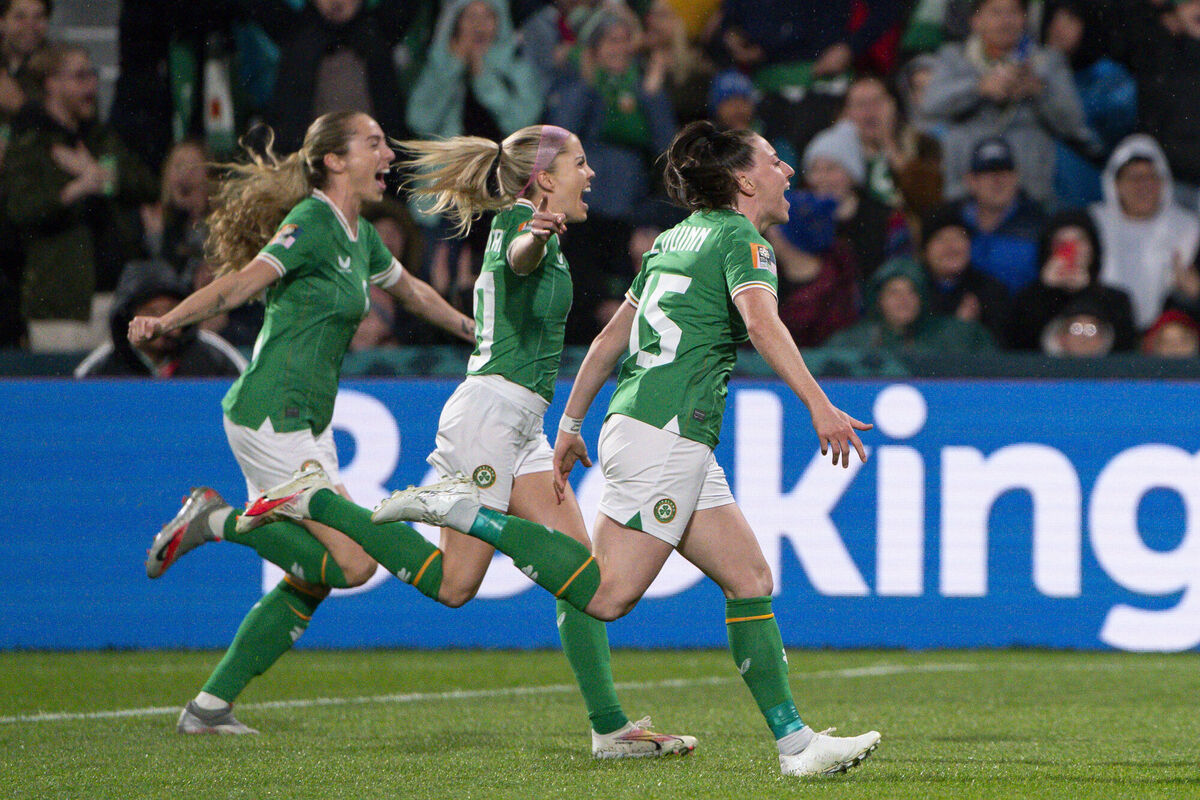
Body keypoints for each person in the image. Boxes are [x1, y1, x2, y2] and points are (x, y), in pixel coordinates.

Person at [370, 121, 882, 777]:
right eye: (777, 160)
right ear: (745, 181)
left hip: (651, 428)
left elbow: (613, 334)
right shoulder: (742, 240)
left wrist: (572, 421)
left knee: (750, 577)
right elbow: (761, 322)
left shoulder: (677, 236)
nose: (788, 172)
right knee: (607, 596)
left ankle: (796, 746)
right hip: (667, 433)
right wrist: (819, 404)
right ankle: (469, 513)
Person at [193, 123, 697, 757]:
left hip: (521, 426)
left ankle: (609, 729)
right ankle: (314, 501)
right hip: (488, 420)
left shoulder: (544, 229)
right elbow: (519, 257)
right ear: (543, 179)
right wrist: (534, 238)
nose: (591, 174)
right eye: (580, 162)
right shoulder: (521, 224)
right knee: (456, 588)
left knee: (586, 583)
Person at [132, 111, 475, 734]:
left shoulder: (358, 234)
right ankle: (216, 519)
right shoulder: (313, 220)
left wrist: (472, 332)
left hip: (306, 423)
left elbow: (416, 293)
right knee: (353, 564)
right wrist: (167, 321)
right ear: (334, 161)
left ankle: (208, 709)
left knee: (315, 578)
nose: (388, 156)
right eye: (373, 144)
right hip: (271, 413)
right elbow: (239, 286)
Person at [4, 43, 158, 352]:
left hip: (113, 299)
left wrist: (98, 176)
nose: (91, 85)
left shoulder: (100, 138)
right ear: (51, 83)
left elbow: (146, 185)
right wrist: (76, 189)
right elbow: (21, 210)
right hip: (60, 304)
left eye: (92, 75)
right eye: (80, 76)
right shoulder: (30, 145)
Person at [920, 0, 1093, 206]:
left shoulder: (1047, 61)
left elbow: (1074, 124)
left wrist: (1038, 91)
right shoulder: (954, 57)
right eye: (996, 12)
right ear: (976, 21)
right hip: (965, 188)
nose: (1005, 21)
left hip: (1029, 190)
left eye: (1013, 12)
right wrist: (979, 88)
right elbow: (930, 105)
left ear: (1024, 19)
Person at [1089, 134, 1200, 331]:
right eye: (1134, 178)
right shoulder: (1092, 223)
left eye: (1151, 177)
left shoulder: (1189, 227)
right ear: (1116, 184)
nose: (1144, 186)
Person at [74, 259, 246, 378]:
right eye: (152, 312)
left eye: (171, 311)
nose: (161, 322)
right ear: (128, 318)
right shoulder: (101, 368)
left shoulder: (216, 357)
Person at [1007, 209, 1135, 351]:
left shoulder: (1116, 301)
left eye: (1079, 241)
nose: (1072, 250)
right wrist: (1043, 290)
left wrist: (1087, 291)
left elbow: (1122, 349)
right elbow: (1017, 347)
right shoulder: (1025, 300)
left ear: (1092, 249)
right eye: (1061, 243)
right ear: (1048, 250)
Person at [937, 136, 1046, 294]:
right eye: (987, 172)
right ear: (971, 181)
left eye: (1004, 171)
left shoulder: (1039, 225)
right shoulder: (949, 221)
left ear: (1016, 177)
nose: (997, 180)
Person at [825, 256, 997, 355]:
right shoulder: (851, 341)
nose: (903, 300)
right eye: (893, 292)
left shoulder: (956, 334)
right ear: (878, 300)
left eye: (912, 291)